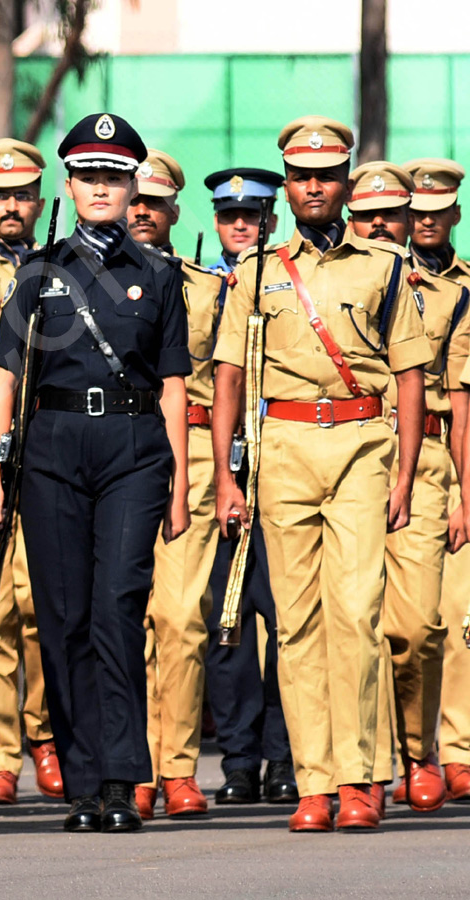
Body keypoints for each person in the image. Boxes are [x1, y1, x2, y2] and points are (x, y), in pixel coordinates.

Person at [213, 117, 431, 832]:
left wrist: (401, 472)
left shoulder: (383, 265)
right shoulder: (256, 271)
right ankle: (313, 781)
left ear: (344, 182)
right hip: (283, 445)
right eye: (302, 174)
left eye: (327, 174)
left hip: (364, 441)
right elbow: (227, 375)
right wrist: (224, 475)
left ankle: (361, 776)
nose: (315, 185)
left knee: (357, 611)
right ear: (286, 182)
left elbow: (409, 371)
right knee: (296, 624)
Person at [0, 112, 190, 833]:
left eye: (114, 176)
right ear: (68, 184)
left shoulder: (159, 275)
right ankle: (84, 782)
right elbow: (5, 377)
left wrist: (182, 486)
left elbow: (172, 385)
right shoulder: (39, 272)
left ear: (134, 186)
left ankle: (125, 780)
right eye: (88, 176)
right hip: (52, 451)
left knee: (117, 609)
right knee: (63, 617)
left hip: (133, 450)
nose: (101, 188)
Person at [347, 160, 465, 814]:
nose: (382, 227)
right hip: (342, 453)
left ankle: (420, 750)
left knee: (418, 627)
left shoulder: (447, 294)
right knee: (352, 622)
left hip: (422, 466)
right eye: (367, 217)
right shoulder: (326, 284)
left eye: (390, 215)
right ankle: (367, 764)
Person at [0, 138, 61, 805]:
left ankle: (47, 735)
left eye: (23, 195)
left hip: (52, 448)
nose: (12, 207)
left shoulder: (71, 272)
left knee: (47, 604)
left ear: (41, 202)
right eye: (0, 196)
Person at [130, 148, 222, 820]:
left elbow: (228, 386)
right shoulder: (90, 279)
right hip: (117, 452)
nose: (140, 211)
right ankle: (131, 762)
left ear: (173, 212)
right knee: (122, 620)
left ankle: (179, 767)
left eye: (153, 202)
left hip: (189, 452)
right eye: (133, 199)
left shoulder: (210, 290)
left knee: (183, 618)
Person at [199, 167, 296, 807]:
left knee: (288, 616)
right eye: (231, 216)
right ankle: (238, 760)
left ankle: (284, 757)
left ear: (272, 220)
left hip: (285, 462)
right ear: (214, 222)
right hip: (219, 465)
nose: (242, 225)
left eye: (254, 215)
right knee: (226, 620)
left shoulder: (291, 280)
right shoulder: (196, 287)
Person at [405, 157, 470, 802]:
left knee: (454, 619)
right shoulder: (381, 278)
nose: (425, 219)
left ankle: (456, 750)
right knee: (402, 624)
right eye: (414, 210)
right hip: (378, 450)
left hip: (445, 455)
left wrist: (463, 492)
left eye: (436, 209)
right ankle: (406, 750)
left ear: (455, 214)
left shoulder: (467, 288)